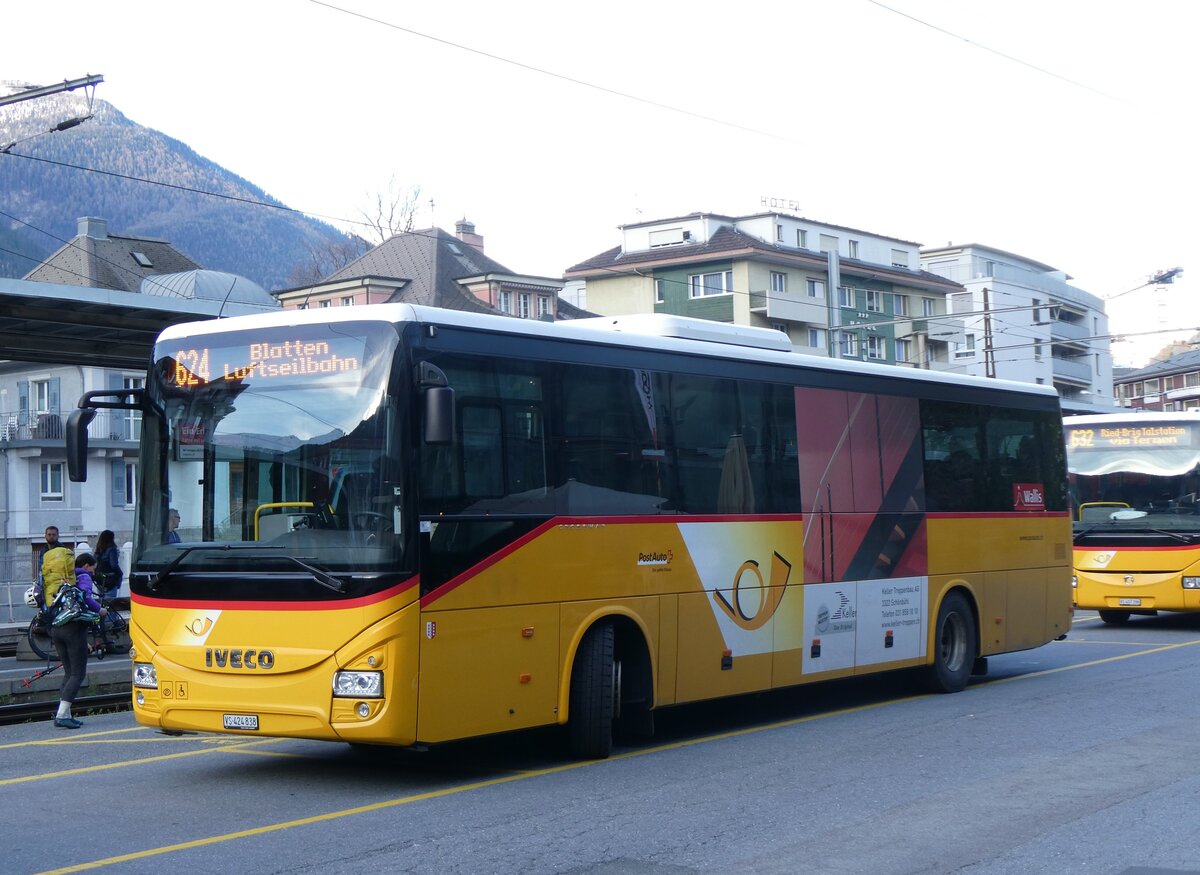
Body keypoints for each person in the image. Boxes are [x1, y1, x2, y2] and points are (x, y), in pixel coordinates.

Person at [50, 552, 107, 730]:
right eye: (93, 568)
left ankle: (66, 713)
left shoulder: (65, 577)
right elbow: (87, 598)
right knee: (78, 674)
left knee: (68, 673)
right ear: (87, 566)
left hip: (56, 628)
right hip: (73, 629)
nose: (93, 572)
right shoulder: (83, 577)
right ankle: (61, 715)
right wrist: (100, 610)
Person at [39, 527, 76, 609]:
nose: (51, 536)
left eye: (53, 534)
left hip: (60, 586)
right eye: (49, 534)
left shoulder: (63, 550)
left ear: (58, 536)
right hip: (45, 585)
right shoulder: (43, 550)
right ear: (45, 536)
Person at [94, 529, 123, 598]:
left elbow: (94, 564)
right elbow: (114, 565)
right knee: (110, 603)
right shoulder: (112, 549)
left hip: (100, 581)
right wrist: (120, 573)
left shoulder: (98, 551)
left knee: (101, 602)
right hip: (110, 580)